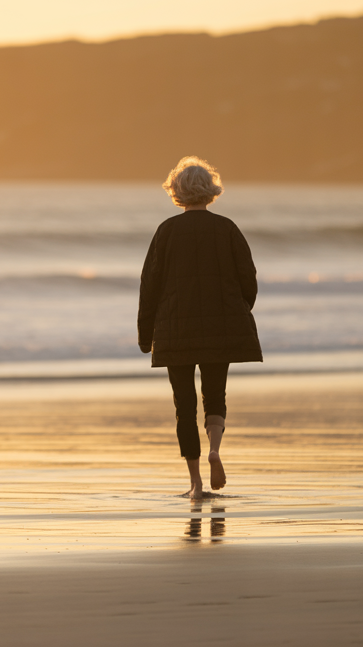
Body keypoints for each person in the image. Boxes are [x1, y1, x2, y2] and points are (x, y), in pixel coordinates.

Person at [138, 156, 262, 499]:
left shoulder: (166, 231)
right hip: (221, 327)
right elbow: (247, 278)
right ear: (210, 191)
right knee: (215, 395)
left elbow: (149, 286)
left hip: (174, 331)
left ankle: (194, 483)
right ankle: (215, 450)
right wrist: (239, 311)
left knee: (184, 404)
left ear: (176, 191)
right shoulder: (227, 228)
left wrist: (145, 335)